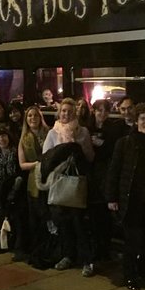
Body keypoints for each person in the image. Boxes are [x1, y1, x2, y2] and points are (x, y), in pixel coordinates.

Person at [106, 102, 145, 290]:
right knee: (132, 242)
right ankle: (130, 275)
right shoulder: (125, 143)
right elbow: (114, 171)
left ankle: (144, 271)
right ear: (137, 120)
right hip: (131, 200)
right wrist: (112, 197)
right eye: (143, 119)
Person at [42, 97, 95, 277]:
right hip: (59, 182)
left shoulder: (83, 132)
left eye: (70, 111)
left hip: (76, 182)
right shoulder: (53, 133)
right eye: (63, 111)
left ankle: (87, 260)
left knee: (80, 223)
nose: (66, 114)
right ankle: (67, 255)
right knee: (63, 223)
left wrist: (76, 145)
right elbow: (46, 157)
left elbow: (89, 156)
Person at [87, 99, 120, 261]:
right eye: (99, 110)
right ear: (93, 111)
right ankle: (93, 251)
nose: (102, 114)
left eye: (105, 111)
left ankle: (104, 250)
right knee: (92, 214)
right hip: (90, 174)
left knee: (104, 216)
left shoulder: (113, 129)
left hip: (105, 174)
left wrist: (102, 144)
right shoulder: (87, 127)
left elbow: (113, 151)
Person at [18, 105, 50, 262]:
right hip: (33, 183)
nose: (32, 118)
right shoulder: (24, 138)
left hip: (50, 180)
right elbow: (22, 164)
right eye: (29, 116)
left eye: (35, 115)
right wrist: (38, 164)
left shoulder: (49, 133)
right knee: (35, 217)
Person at [0, 127, 27, 256]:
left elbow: (20, 173)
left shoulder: (15, 151)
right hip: (0, 190)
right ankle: (5, 244)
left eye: (3, 136)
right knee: (2, 218)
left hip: (16, 189)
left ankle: (19, 246)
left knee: (17, 219)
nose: (1, 140)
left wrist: (13, 190)